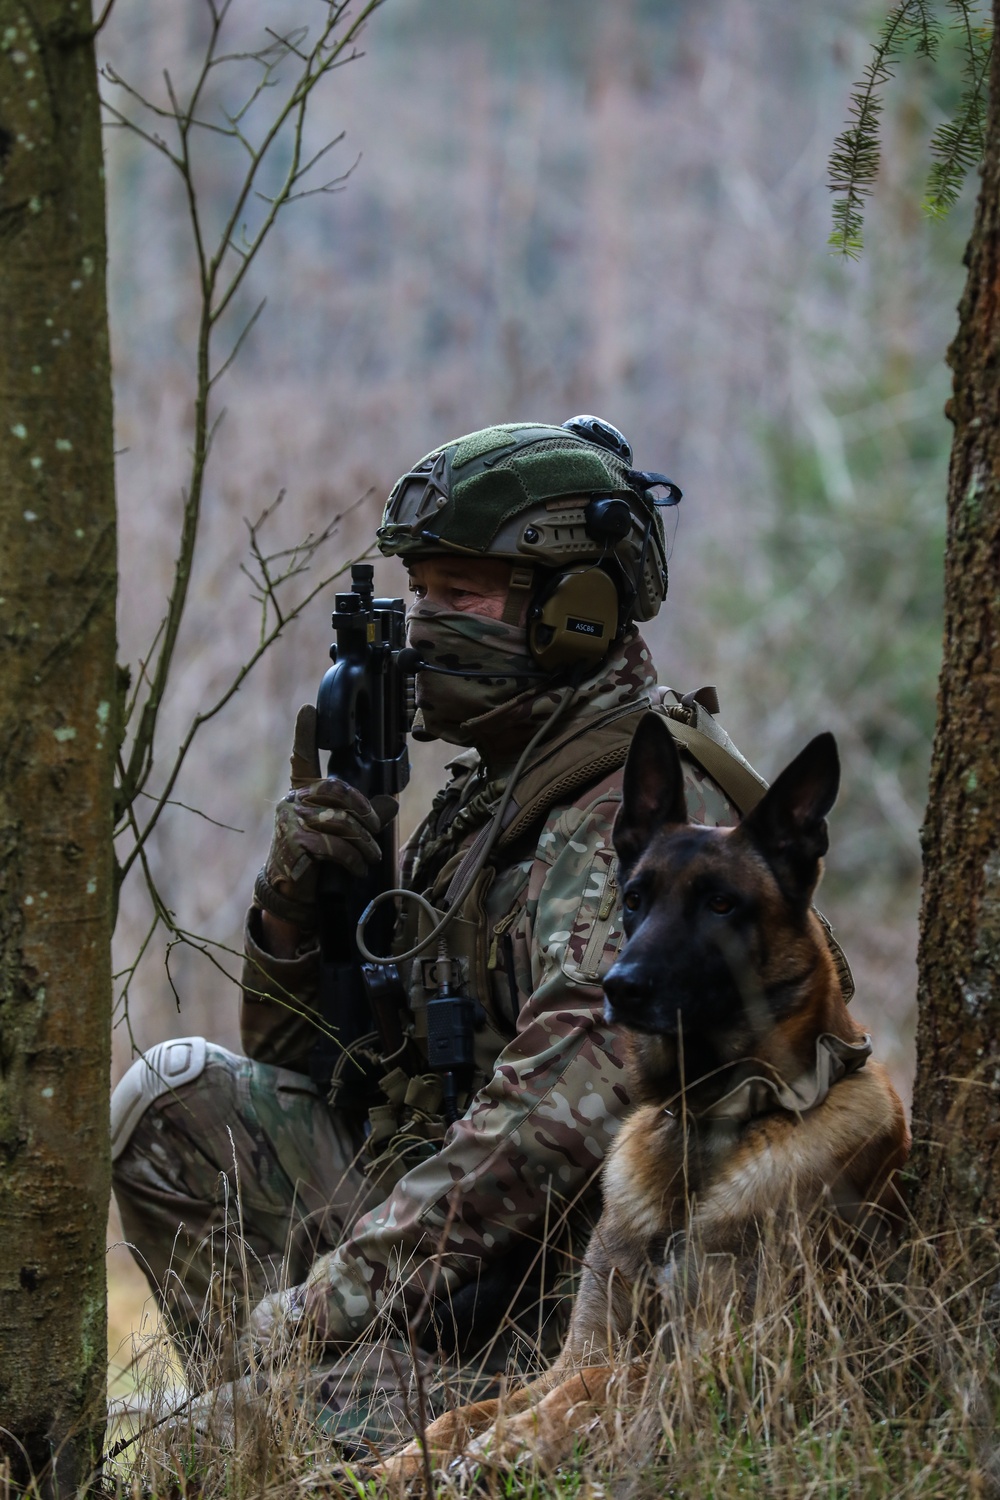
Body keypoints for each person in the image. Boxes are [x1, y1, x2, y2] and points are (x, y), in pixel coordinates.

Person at [110, 417, 768, 1449]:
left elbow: (563, 1111)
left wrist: (327, 1304)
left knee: (172, 1448)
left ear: (578, 610)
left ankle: (284, 1420)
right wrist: (299, 908)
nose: (426, 626)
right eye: (422, 592)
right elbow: (326, 1076)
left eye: (461, 595)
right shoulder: (497, 798)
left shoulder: (632, 814)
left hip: (567, 1321)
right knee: (176, 1098)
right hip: (456, 1261)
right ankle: (284, 1413)